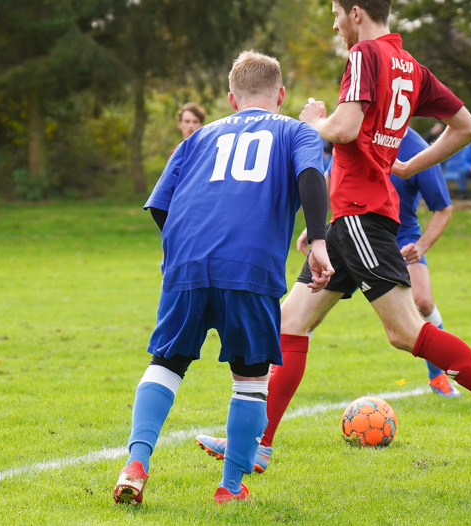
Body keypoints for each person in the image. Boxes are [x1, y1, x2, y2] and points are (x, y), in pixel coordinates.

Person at [197, 0, 471, 476]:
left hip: (361, 216)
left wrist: (312, 122)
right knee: (290, 322)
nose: (336, 27)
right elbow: (466, 128)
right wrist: (406, 164)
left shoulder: (364, 55)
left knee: (406, 332)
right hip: (351, 218)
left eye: (337, 16)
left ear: (356, 13)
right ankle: (257, 445)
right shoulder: (409, 66)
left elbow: (345, 128)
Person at [112, 51, 332, 505]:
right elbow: (312, 177)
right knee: (250, 380)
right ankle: (230, 488)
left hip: (186, 263)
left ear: (232, 99)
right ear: (282, 95)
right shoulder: (296, 130)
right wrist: (321, 242)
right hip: (249, 266)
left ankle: (135, 463)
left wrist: (185, 251)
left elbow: (159, 205)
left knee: (167, 363)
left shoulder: (197, 136)